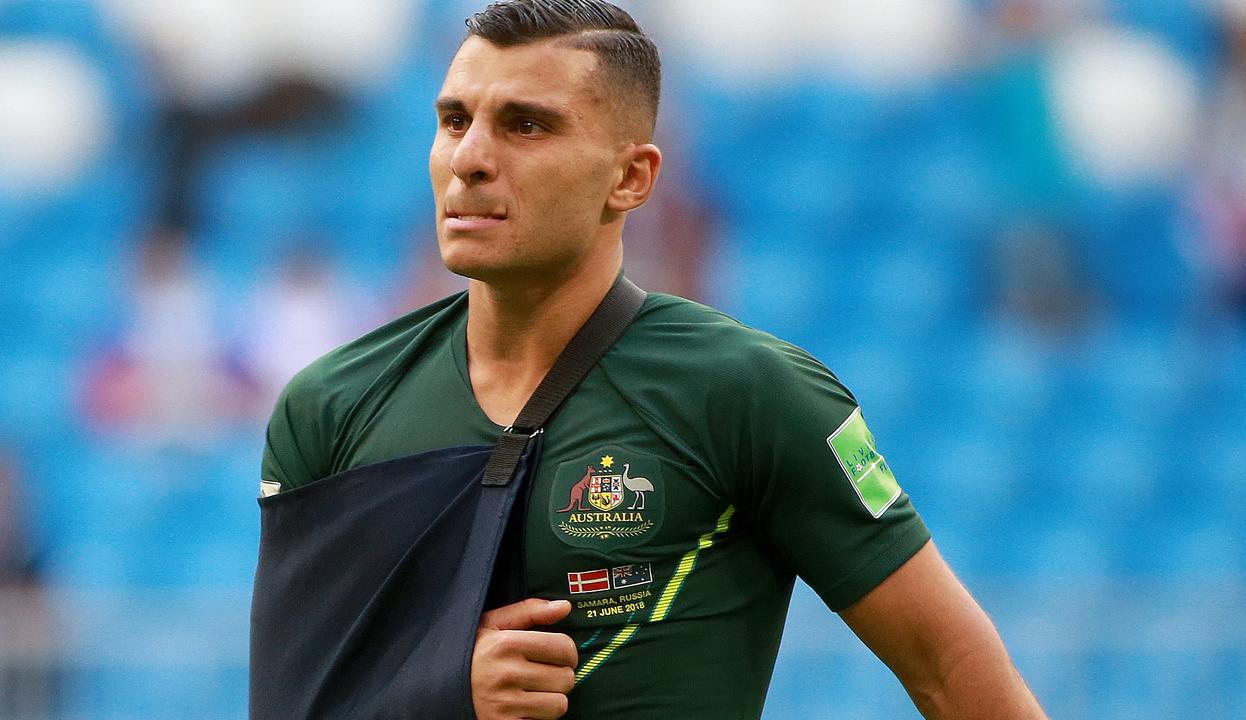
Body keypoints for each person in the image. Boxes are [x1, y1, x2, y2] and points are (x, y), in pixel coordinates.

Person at [258, 1, 1048, 718]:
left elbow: (956, 673)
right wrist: (441, 693)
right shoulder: (330, 406)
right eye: (454, 119)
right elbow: (292, 703)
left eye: (526, 125)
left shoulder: (751, 392)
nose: (469, 158)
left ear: (631, 178)